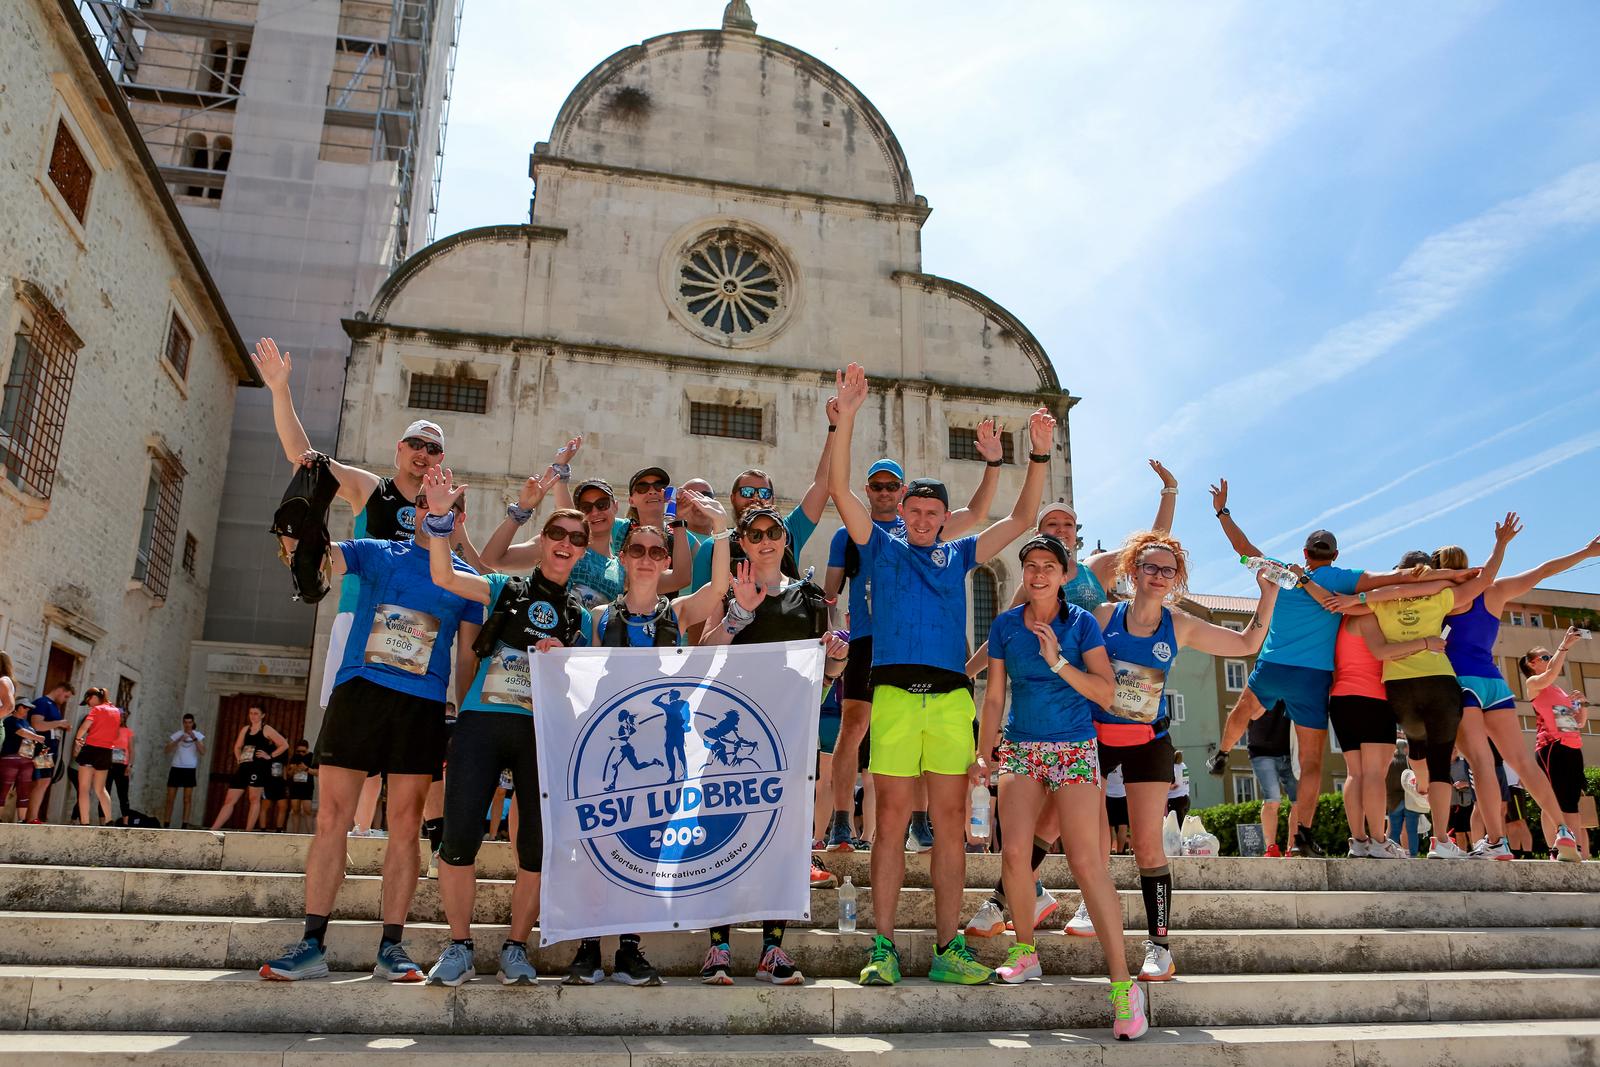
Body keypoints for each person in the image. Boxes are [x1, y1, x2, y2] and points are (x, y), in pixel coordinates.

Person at [829, 360, 1056, 987]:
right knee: (892, 825)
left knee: (951, 827)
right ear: (901, 510)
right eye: (916, 509)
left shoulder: (958, 553)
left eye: (934, 511)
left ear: (946, 516)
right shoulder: (878, 544)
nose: (925, 518)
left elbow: (1017, 521)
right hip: (897, 695)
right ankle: (882, 947)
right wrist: (845, 418)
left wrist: (1033, 456)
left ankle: (947, 948)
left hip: (953, 698)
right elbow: (844, 493)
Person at [259, 479, 484, 983]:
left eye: (445, 505)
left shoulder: (465, 580)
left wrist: (463, 721)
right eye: (423, 502)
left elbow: (467, 657)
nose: (429, 509)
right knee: (332, 818)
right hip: (359, 691)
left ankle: (392, 947)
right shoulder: (379, 551)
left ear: (460, 518)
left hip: (422, 704)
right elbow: (313, 559)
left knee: (405, 826)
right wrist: (300, 519)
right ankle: (312, 942)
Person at [963, 463, 1179, 936]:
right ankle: (1019, 896)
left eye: (1067, 525)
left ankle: (1044, 900)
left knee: (1070, 821)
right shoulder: (1033, 582)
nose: (1060, 530)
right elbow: (1005, 637)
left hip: (1105, 708)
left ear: (1075, 539)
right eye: (1051, 525)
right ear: (1040, 539)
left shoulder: (1099, 571)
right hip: (1071, 718)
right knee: (1052, 818)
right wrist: (969, 674)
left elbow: (1153, 549)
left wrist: (1169, 491)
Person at [1206, 480, 1472, 856]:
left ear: (1305, 552)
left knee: (1244, 710)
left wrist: (1222, 511)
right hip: (1315, 678)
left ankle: (1221, 752)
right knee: (1312, 761)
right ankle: (1302, 836)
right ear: (1334, 554)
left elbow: (1242, 548)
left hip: (1275, 663)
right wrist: (1455, 574)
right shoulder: (1345, 577)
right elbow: (1397, 578)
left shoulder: (1284, 572)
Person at [971, 534, 1147, 1039]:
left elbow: (1107, 692)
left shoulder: (1082, 623)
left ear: (1065, 574)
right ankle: (1025, 952)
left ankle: (1123, 987)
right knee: (1014, 855)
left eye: (1050, 565)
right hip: (1022, 747)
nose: (1039, 573)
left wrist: (1057, 661)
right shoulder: (1005, 625)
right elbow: (994, 694)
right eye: (1031, 565)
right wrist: (983, 753)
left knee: (1087, 862)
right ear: (1023, 572)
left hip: (1073, 747)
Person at [1087, 531, 1280, 981]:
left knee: (1149, 844)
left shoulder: (1181, 625)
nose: (1158, 576)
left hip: (1148, 741)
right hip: (1096, 736)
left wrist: (1266, 594)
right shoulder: (1101, 615)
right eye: (1150, 568)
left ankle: (1159, 947)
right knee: (1080, 835)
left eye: (1167, 571)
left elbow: (1248, 643)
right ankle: (1070, 902)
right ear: (1132, 572)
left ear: (1177, 580)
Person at [562, 499, 733, 986]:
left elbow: (719, 589)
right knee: (595, 847)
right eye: (635, 547)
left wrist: (719, 529)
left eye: (654, 550)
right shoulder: (595, 618)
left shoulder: (676, 613)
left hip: (662, 753)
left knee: (644, 849)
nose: (644, 556)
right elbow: (575, 677)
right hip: (610, 752)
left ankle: (631, 949)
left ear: (664, 562)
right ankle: (589, 945)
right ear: (622, 555)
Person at [821, 438, 1003, 853]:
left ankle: (921, 824)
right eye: (876, 486)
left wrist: (992, 463)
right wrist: (835, 636)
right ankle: (841, 821)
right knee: (853, 728)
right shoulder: (849, 533)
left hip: (918, 650)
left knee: (921, 727)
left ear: (902, 493)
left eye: (891, 486)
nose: (884, 492)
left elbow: (975, 514)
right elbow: (830, 595)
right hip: (866, 640)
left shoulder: (922, 526)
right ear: (867, 490)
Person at [698, 507, 850, 986]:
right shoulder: (729, 592)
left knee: (784, 844)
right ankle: (717, 949)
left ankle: (772, 952)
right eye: (754, 534)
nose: (764, 541)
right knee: (721, 834)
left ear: (785, 539)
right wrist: (738, 614)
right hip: (730, 737)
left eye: (772, 532)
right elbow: (702, 655)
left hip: (787, 737)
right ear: (742, 541)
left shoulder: (810, 597)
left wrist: (836, 662)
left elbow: (821, 678)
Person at [1419, 533, 1599, 859]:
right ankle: (1563, 832)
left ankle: (1496, 842)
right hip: (1495, 683)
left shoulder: (1442, 596)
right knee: (1524, 763)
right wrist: (1586, 552)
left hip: (1462, 682)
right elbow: (1543, 570)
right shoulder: (1496, 590)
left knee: (1482, 762)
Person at [1354, 533, 1502, 860]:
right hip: (1440, 683)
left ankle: (1416, 783)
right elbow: (1486, 579)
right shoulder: (1442, 597)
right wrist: (1500, 544)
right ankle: (1440, 841)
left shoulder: (1378, 601)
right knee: (1440, 766)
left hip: (1399, 685)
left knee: (1416, 742)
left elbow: (1375, 643)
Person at [688, 400, 837, 594]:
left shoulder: (789, 531)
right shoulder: (714, 545)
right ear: (733, 498)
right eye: (747, 492)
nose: (756, 498)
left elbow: (822, 485)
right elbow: (698, 613)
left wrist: (836, 427)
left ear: (773, 500)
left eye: (764, 493)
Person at [1521, 628, 1591, 861]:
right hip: (1552, 748)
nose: (1549, 659)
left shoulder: (1558, 690)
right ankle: (1555, 847)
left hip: (1571, 746)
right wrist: (1564, 646)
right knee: (1551, 800)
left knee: (1571, 802)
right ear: (1532, 664)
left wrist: (1583, 704)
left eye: (1549, 656)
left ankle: (1575, 849)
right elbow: (1550, 674)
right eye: (1545, 657)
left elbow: (1575, 723)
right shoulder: (1534, 684)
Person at [211, 706, 288, 831]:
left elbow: (284, 745)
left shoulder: (266, 729)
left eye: (256, 713)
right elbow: (237, 747)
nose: (253, 716)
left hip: (258, 768)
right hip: (244, 768)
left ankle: (248, 831)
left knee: (254, 799)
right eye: (251, 713)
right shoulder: (245, 729)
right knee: (229, 799)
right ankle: (213, 829)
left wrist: (270, 756)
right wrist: (239, 759)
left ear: (263, 715)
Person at [1246, 704, 1295, 857]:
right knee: (1272, 800)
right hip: (1262, 750)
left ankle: (1293, 848)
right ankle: (1271, 848)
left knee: (1299, 801)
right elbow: (1251, 713)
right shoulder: (1258, 684)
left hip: (1290, 749)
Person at [70, 688, 121, 827]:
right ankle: (109, 820)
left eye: (88, 701)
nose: (88, 705)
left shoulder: (97, 710)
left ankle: (85, 823)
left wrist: (78, 739)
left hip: (91, 750)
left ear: (93, 697)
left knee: (84, 788)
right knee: (100, 789)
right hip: (106, 752)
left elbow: (85, 727)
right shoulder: (116, 711)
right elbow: (116, 734)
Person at [26, 683, 74, 823]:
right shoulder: (42, 703)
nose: (65, 700)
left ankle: (32, 817)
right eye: (66, 696)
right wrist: (59, 723)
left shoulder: (53, 706)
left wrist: (61, 726)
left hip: (49, 750)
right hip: (42, 750)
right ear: (60, 690)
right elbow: (37, 724)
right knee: (42, 781)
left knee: (42, 782)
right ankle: (32, 817)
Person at [1, 700, 47, 822]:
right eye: (25, 707)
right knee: (3, 788)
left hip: (27, 760)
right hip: (10, 758)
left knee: (24, 790)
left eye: (28, 708)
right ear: (18, 707)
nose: (27, 710)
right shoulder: (10, 720)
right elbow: (21, 732)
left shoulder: (26, 722)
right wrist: (37, 737)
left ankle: (22, 819)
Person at [163, 715, 207, 828]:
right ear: (183, 723)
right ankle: (166, 824)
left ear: (193, 723)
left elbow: (203, 751)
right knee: (170, 798)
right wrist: (178, 740)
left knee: (187, 799)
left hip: (189, 769)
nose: (188, 725)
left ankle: (184, 825)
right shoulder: (178, 734)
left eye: (190, 722)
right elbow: (166, 750)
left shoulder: (198, 735)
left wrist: (194, 738)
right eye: (185, 722)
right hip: (176, 767)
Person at [106, 710, 136, 822]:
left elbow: (132, 750)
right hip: (108, 765)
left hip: (122, 766)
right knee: (105, 793)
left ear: (123, 718)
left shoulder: (128, 732)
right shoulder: (108, 730)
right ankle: (104, 821)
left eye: (121, 717)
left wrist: (130, 765)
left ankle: (125, 823)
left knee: (123, 795)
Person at [284, 740, 317, 834]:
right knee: (295, 810)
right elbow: (288, 774)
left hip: (307, 787)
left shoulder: (312, 757)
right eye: (299, 751)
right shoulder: (294, 757)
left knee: (307, 810)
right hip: (295, 787)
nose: (301, 754)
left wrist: (306, 768)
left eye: (303, 751)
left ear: (307, 749)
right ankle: (295, 833)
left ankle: (309, 834)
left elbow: (318, 772)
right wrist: (293, 769)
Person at [1397, 763, 1430, 857]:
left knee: (1407, 825)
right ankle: (1407, 851)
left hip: (1410, 789)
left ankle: (1409, 852)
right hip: (1405, 789)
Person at [1448, 750, 1476, 850]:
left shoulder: (1465, 762)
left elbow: (1476, 780)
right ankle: (1462, 856)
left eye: (1455, 748)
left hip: (1468, 801)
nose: (1453, 751)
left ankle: (1476, 851)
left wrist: (1464, 784)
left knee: (1470, 830)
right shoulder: (1442, 765)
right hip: (1453, 803)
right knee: (1458, 832)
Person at [1166, 752, 1190, 824]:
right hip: (1186, 799)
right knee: (1182, 826)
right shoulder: (1183, 766)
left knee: (1175, 828)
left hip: (1174, 800)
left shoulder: (1172, 768)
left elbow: (1170, 783)